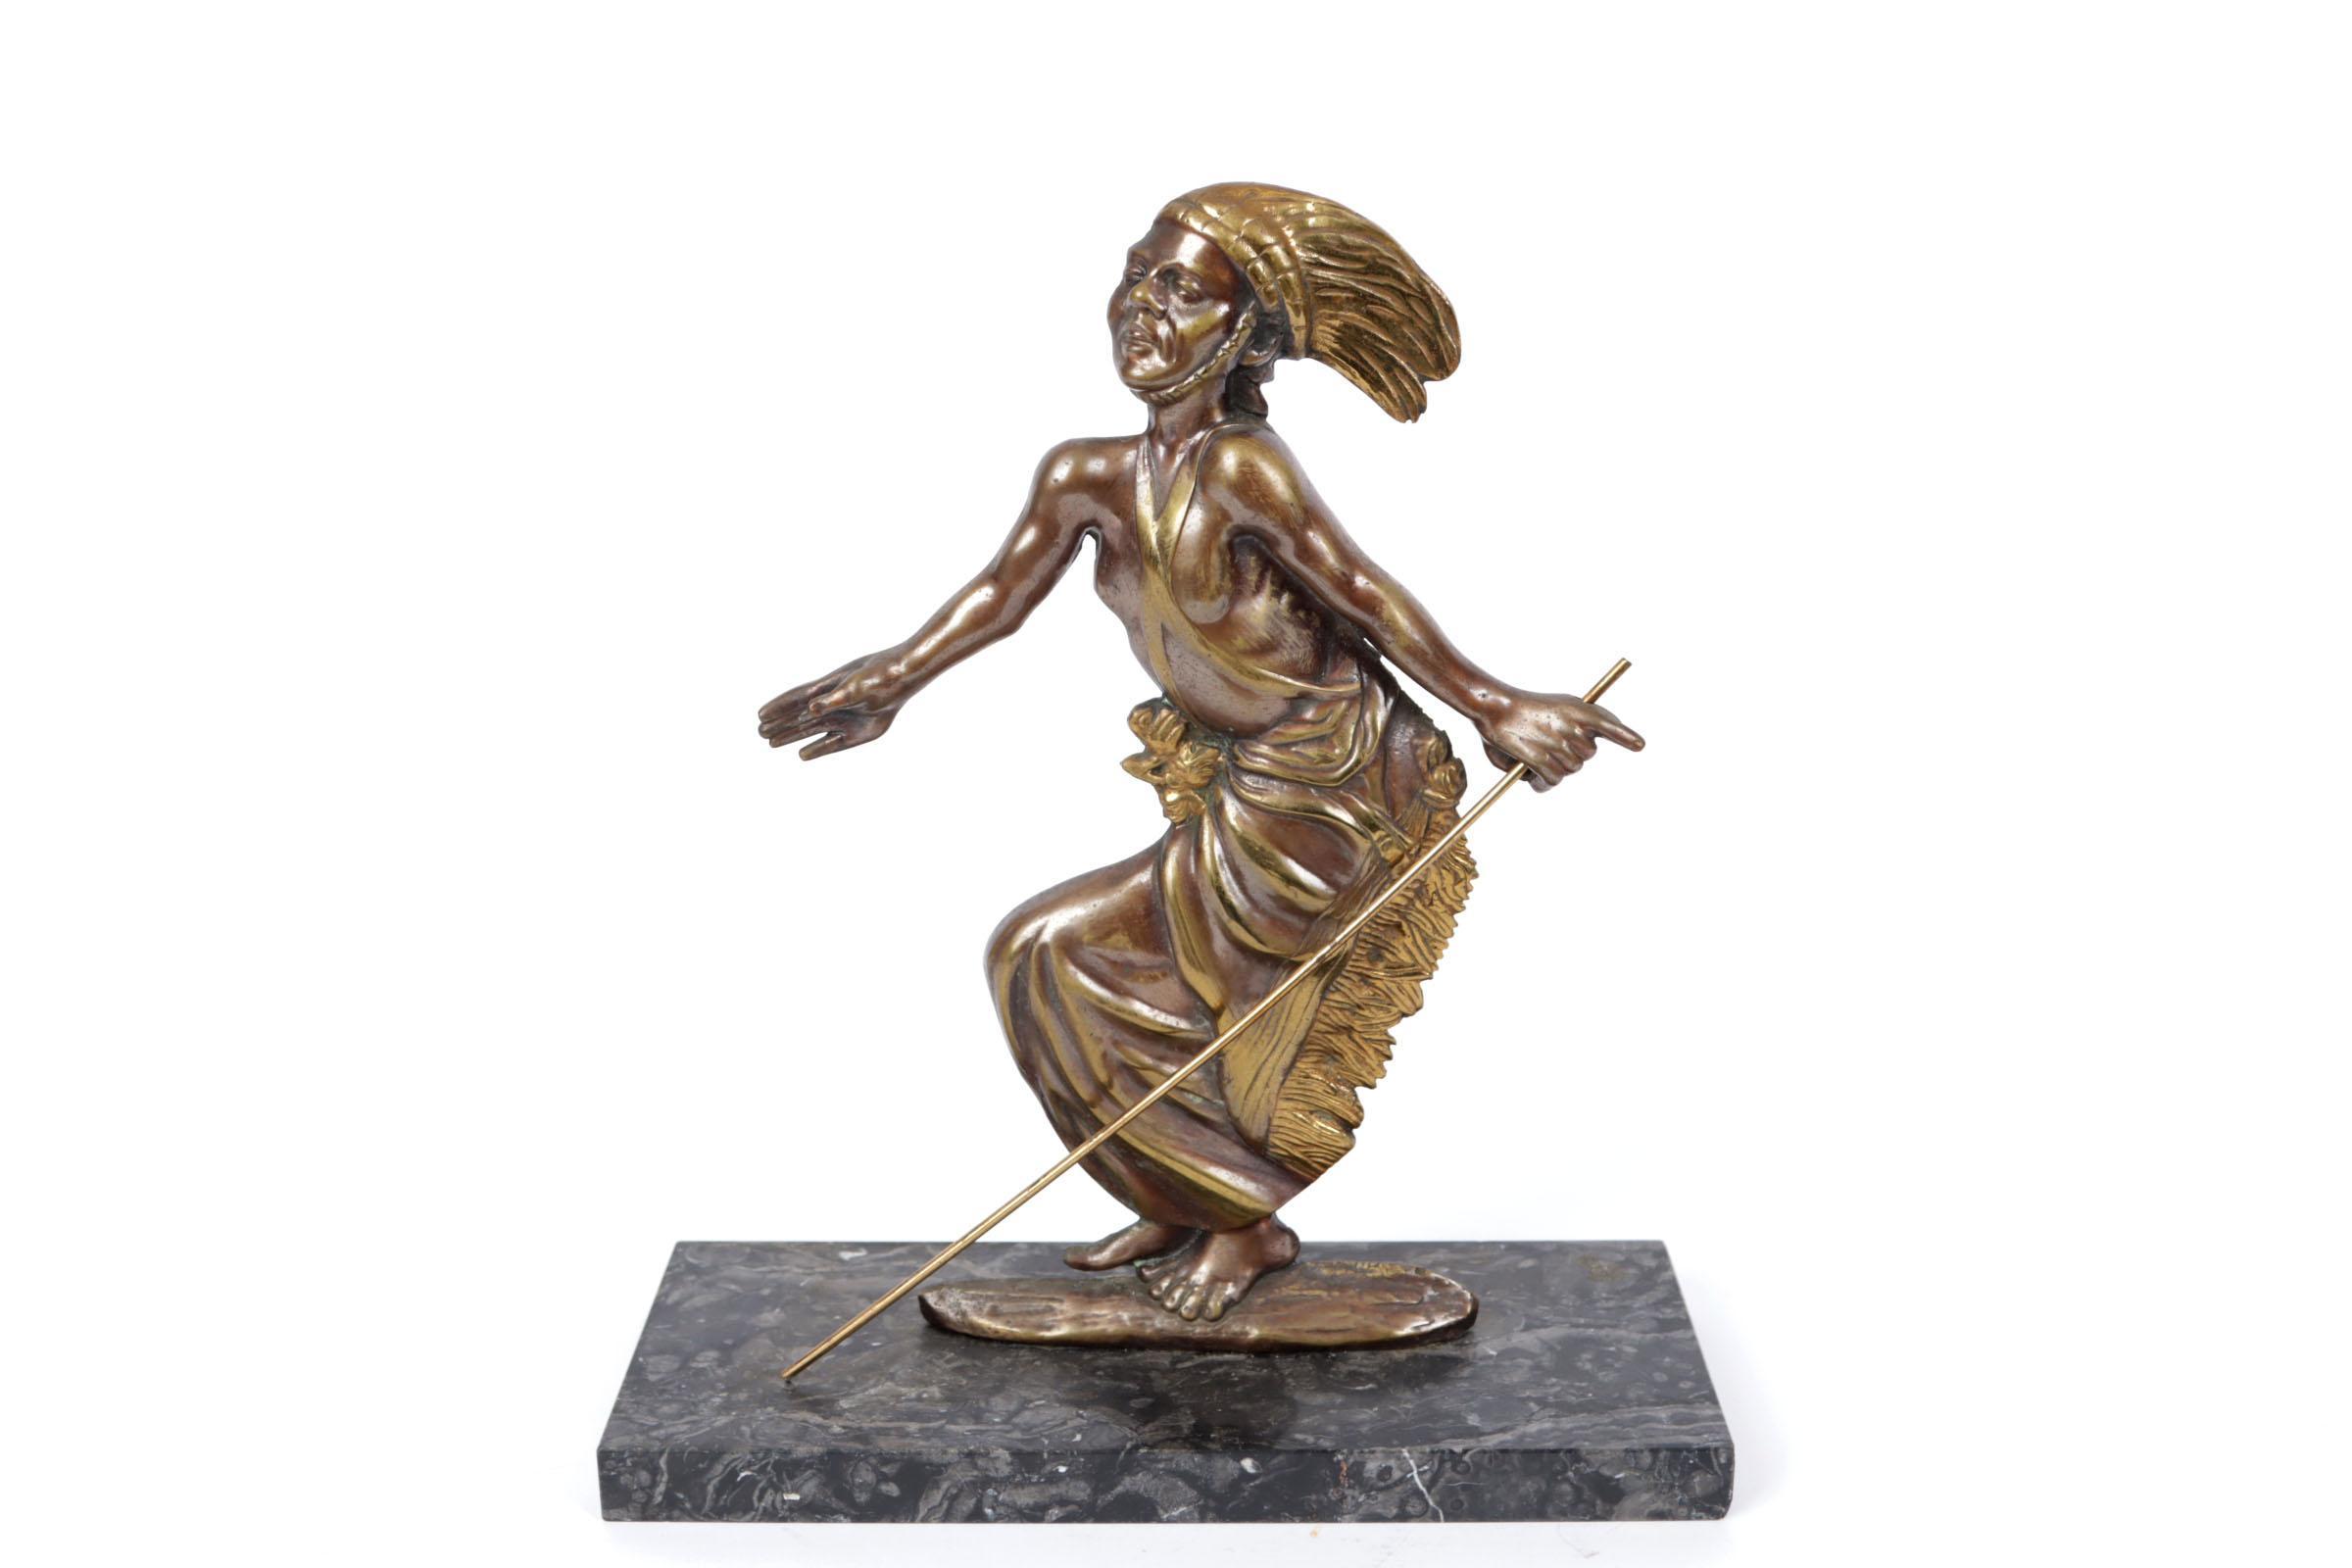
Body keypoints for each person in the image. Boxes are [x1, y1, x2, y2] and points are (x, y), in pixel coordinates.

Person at [760, 184, 1642, 1323]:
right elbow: (998, 597)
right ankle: (1181, 1193)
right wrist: (891, 678)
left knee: (1243, 1009)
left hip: (1334, 787)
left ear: (1243, 335)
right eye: (1136, 274)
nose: (1143, 304)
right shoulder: (1083, 476)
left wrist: (1493, 702)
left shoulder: (1243, 469)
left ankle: (1241, 1225)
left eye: (1180, 289)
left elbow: (1364, 594)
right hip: (1228, 785)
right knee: (1041, 956)